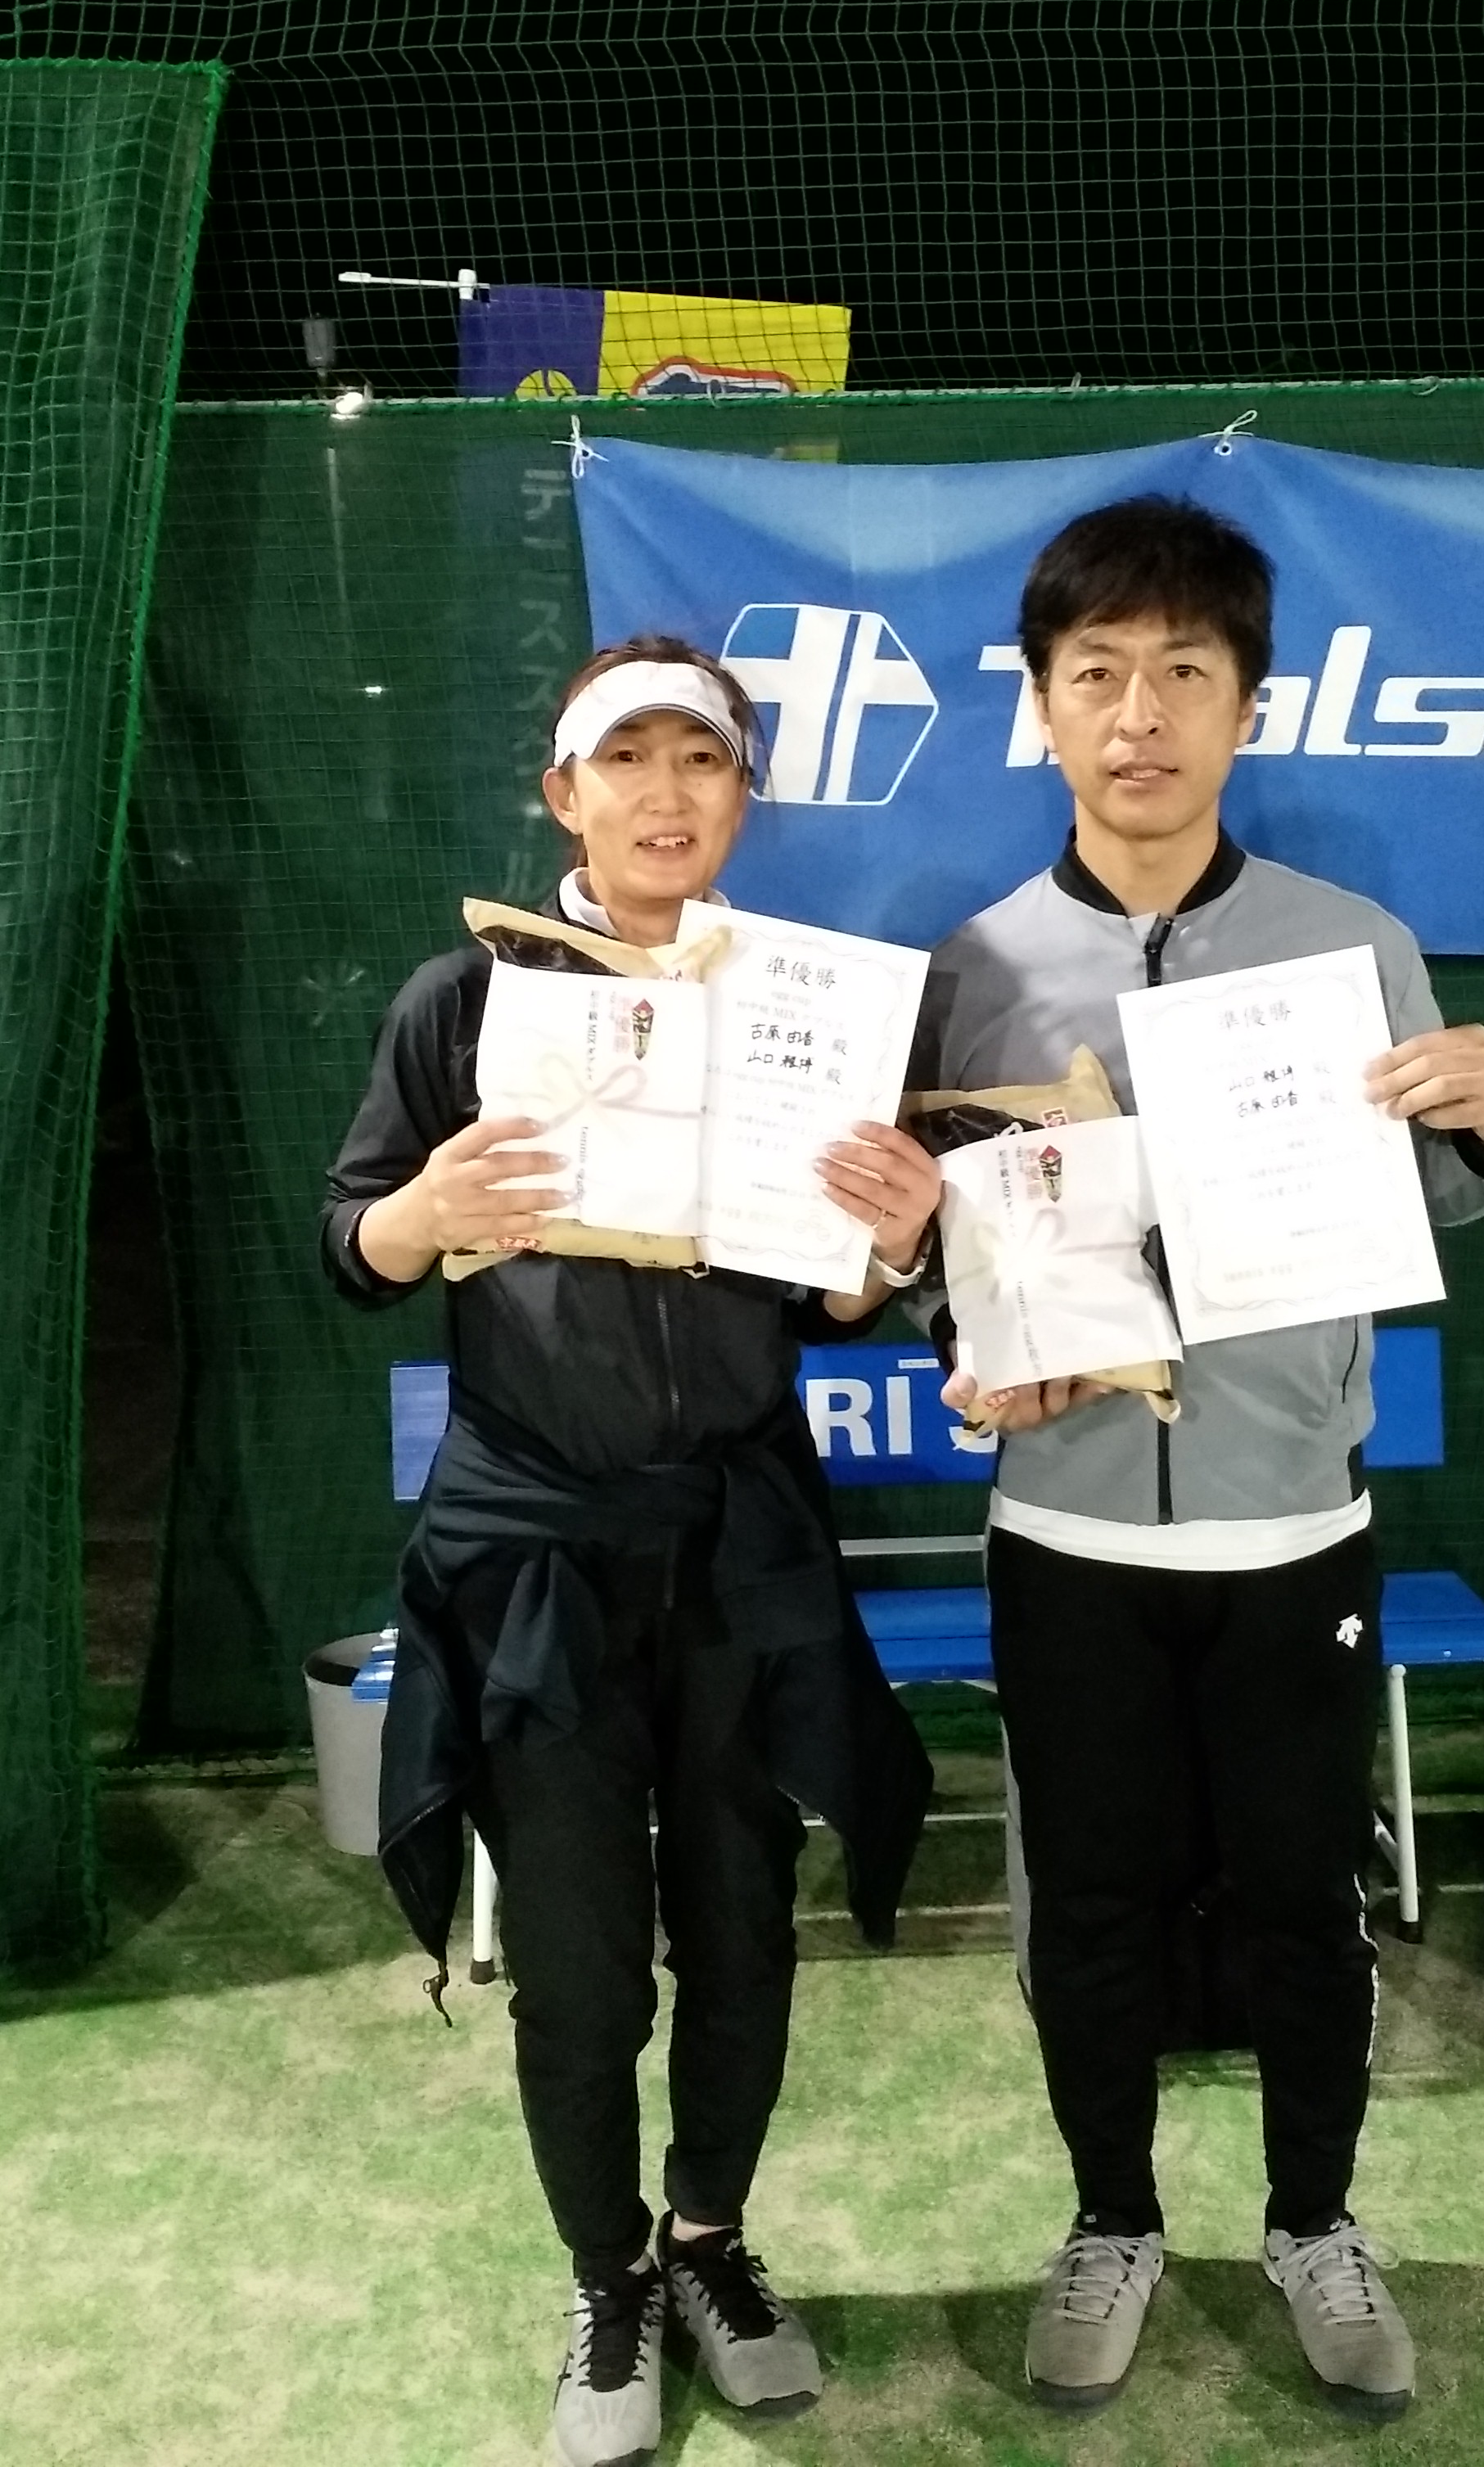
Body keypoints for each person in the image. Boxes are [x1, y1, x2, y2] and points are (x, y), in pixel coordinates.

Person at [910, 498, 1484, 2423]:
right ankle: (1111, 2219)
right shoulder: (972, 967)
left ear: (1247, 708)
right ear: (1041, 707)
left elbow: (1445, 1194)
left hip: (1296, 1533)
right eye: (1097, 673)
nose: (1141, 714)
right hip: (1067, 1537)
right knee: (1090, 1909)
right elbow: (945, 1260)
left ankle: (1313, 2222)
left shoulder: (1354, 947)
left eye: (1185, 672)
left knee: (1303, 1905)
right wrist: (969, 1359)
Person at [320, 637, 942, 2467]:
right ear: (563, 792)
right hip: (539, 1562)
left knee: (745, 1930)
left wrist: (887, 1247)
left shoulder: (808, 1007)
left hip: (740, 1550)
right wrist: (420, 1212)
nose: (668, 795)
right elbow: (347, 1245)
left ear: (744, 796)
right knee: (582, 1963)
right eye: (629, 760)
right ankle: (607, 2277)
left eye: (705, 761)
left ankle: (709, 2244)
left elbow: (837, 1297)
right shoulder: (460, 1003)